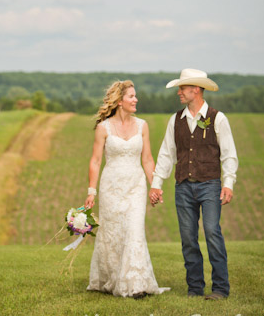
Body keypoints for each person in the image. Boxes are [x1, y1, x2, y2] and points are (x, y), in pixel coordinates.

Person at [149, 69, 238, 300]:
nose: (179, 92)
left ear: (196, 90)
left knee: (211, 232)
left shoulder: (218, 118)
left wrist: (228, 183)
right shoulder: (175, 120)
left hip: (210, 185)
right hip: (183, 187)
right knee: (188, 238)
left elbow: (229, 155)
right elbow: (166, 154)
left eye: (182, 88)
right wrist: (157, 184)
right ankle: (195, 288)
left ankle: (220, 288)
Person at [85, 80, 169, 297]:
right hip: (111, 187)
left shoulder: (143, 125)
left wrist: (155, 186)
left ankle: (135, 284)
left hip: (136, 186)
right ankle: (111, 278)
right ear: (119, 101)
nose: (136, 100)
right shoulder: (103, 128)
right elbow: (95, 161)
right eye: (131, 96)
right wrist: (91, 192)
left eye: (135, 96)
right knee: (113, 233)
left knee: (134, 230)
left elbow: (148, 159)